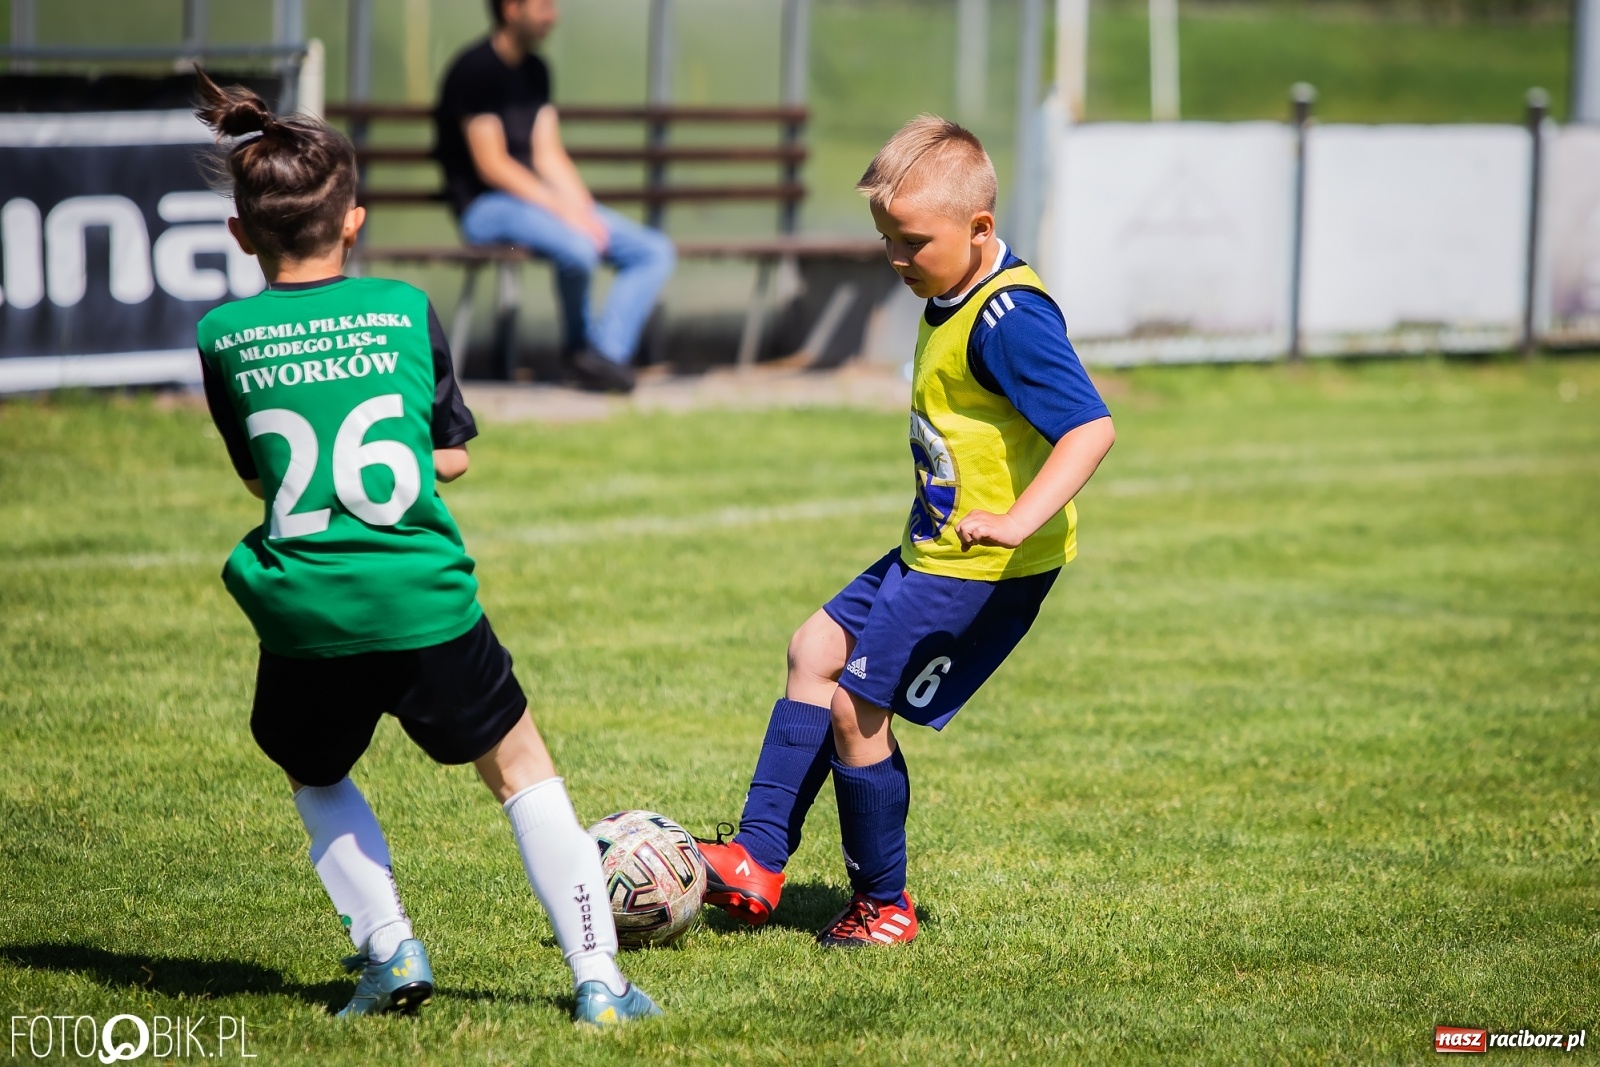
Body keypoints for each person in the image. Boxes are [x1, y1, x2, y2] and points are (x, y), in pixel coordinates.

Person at [191, 72, 660, 1025]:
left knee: (314, 770)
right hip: (421, 593)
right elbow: (449, 452)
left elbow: (260, 476)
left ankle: (390, 946)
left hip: (308, 603)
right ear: (354, 221)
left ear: (240, 234)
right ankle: (600, 981)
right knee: (521, 769)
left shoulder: (223, 334)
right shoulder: (405, 309)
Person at [696, 116, 1117, 947]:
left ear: (980, 228)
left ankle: (883, 903)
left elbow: (1090, 428)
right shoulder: (949, 291)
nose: (896, 258)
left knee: (858, 708)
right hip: (934, 549)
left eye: (913, 241)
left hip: (983, 566)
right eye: (886, 238)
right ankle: (757, 856)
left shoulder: (1010, 320)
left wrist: (1017, 520)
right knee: (815, 647)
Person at [435, 0, 676, 393]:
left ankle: (604, 356)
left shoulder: (537, 70)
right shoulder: (474, 70)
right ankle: (579, 350)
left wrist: (582, 209)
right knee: (578, 248)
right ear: (511, 9)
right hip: (485, 207)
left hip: (535, 202)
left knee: (653, 251)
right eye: (544, 6)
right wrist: (564, 212)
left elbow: (548, 155)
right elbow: (493, 166)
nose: (554, 15)